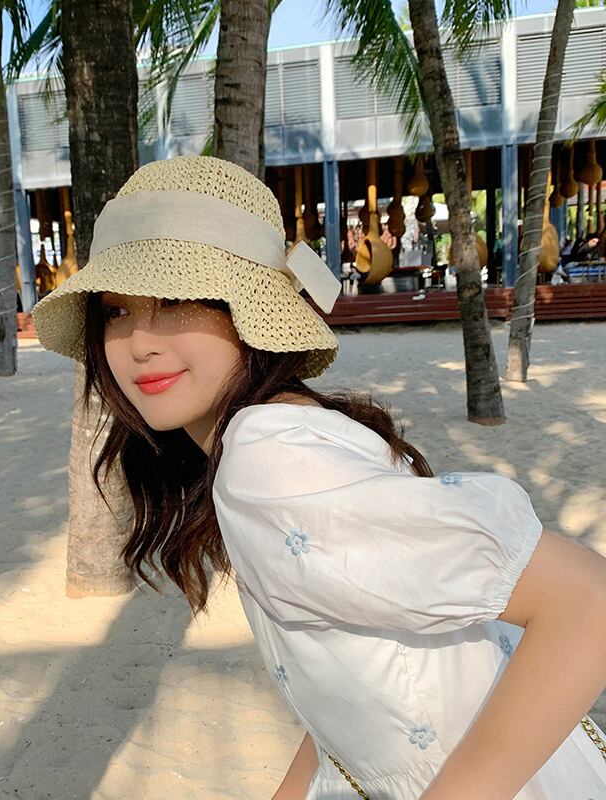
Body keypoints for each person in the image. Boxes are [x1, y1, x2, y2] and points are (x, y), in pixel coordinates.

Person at [31, 155, 606, 800]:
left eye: (177, 300)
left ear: (248, 312)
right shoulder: (283, 430)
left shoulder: (268, 459)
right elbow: (351, 654)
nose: (139, 342)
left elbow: (587, 599)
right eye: (116, 310)